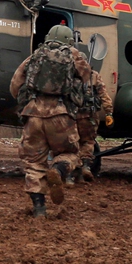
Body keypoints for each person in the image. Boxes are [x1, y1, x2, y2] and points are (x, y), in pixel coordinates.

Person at [9, 24, 95, 218]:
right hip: (60, 115)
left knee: (33, 162)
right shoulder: (73, 55)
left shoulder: (35, 56)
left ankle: (39, 208)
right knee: (70, 153)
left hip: (33, 115)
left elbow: (15, 85)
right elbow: (88, 77)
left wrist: (28, 102)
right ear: (69, 41)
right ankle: (58, 170)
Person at [71, 64, 112, 185]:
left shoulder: (69, 75)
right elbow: (103, 94)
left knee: (73, 143)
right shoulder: (93, 76)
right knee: (88, 141)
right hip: (90, 116)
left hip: (73, 116)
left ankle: (72, 173)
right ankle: (86, 167)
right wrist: (109, 112)